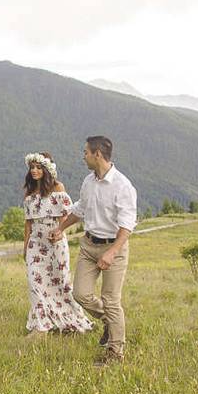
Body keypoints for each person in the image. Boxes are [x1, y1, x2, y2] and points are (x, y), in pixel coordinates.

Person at [50, 136, 137, 366]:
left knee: (111, 299)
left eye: (86, 152)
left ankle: (115, 353)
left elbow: (127, 225)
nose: (83, 155)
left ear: (97, 154)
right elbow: (80, 209)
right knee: (80, 294)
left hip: (113, 247)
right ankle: (109, 321)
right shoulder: (89, 181)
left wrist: (112, 253)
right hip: (89, 246)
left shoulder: (122, 186)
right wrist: (61, 228)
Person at [21, 152, 93, 338]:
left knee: (60, 282)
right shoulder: (29, 192)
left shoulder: (57, 187)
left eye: (38, 167)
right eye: (32, 167)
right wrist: (25, 246)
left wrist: (61, 232)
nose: (35, 171)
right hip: (35, 243)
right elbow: (28, 222)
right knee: (34, 282)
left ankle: (67, 319)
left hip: (55, 243)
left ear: (46, 169)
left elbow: (69, 215)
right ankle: (41, 326)